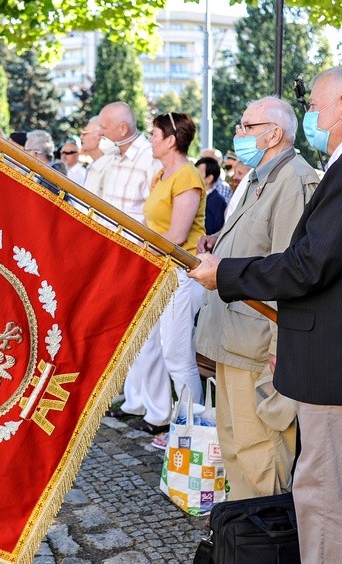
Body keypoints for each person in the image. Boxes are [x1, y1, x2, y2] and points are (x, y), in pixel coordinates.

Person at [188, 65, 342, 564]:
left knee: (326, 494)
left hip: (337, 361)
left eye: (315, 105)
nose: (311, 114)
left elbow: (308, 264)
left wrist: (226, 273)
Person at [194, 96, 319, 500]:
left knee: (261, 452)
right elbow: (256, 246)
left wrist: (284, 346)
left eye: (247, 127)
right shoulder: (261, 176)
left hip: (260, 345)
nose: (238, 134)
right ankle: (242, 545)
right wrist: (219, 245)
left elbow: (291, 270)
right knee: (234, 445)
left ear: (274, 133)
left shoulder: (295, 180)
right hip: (235, 336)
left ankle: (266, 550)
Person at [118, 112, 206, 444]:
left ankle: (190, 430)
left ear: (171, 140)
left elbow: (177, 235)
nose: (150, 138)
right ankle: (169, 417)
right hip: (158, 271)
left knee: (177, 356)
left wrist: (144, 251)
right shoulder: (161, 175)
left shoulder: (187, 176)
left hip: (181, 275)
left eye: (155, 134)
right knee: (151, 346)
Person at [96, 101, 159, 224]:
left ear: (123, 129)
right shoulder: (113, 156)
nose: (99, 133)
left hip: (132, 243)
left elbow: (156, 215)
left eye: (104, 127)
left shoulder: (150, 159)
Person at [78, 116, 115, 196]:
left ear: (100, 136)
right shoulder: (92, 166)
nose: (81, 137)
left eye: (85, 133)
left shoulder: (111, 168)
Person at [194, 156, 227, 235]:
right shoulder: (197, 196)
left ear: (209, 178)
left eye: (197, 174)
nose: (193, 176)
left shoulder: (217, 202)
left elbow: (212, 231)